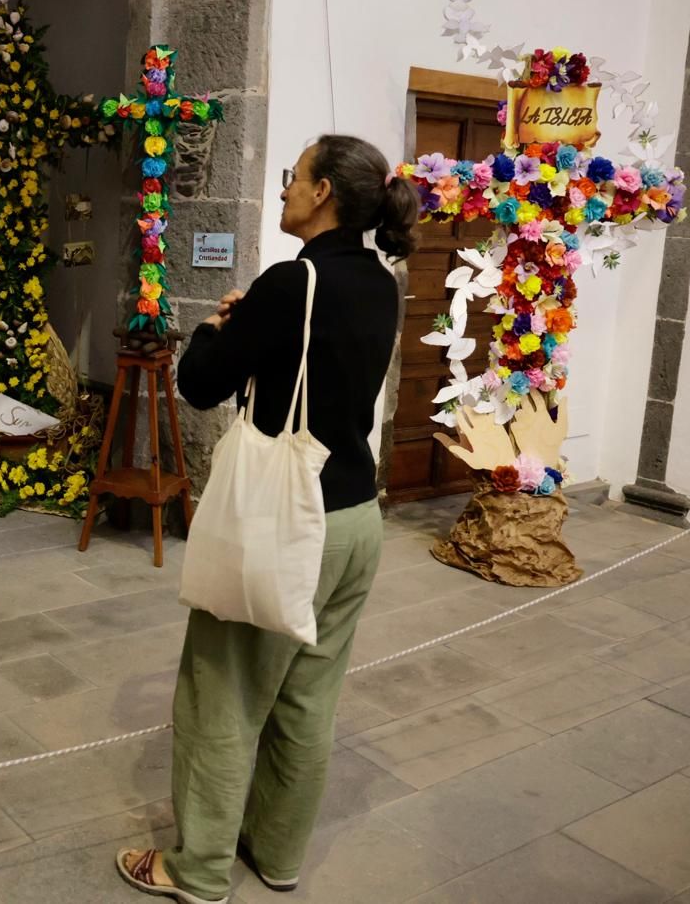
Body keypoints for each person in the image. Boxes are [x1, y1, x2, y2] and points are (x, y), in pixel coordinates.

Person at [117, 135, 418, 902]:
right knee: (309, 701)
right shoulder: (384, 280)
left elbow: (201, 384)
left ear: (323, 195)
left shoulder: (294, 282)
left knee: (222, 693)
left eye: (294, 177)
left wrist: (219, 330)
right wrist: (254, 330)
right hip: (355, 522)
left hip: (291, 522)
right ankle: (278, 856)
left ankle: (199, 869)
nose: (284, 189)